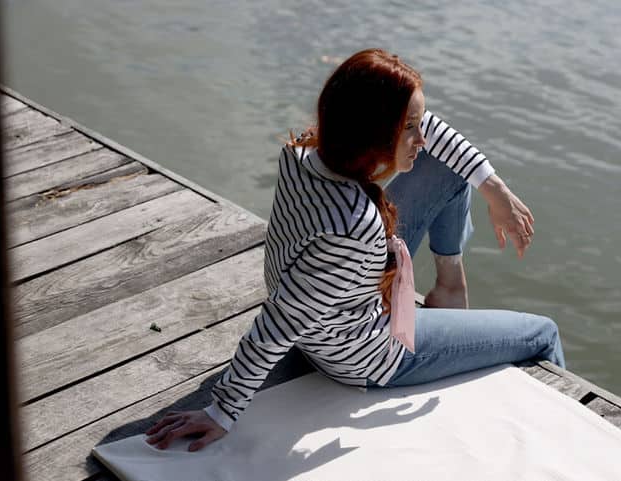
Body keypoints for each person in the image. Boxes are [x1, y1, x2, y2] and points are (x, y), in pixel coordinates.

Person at [146, 48, 565, 452]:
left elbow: (430, 133)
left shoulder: (304, 149)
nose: (422, 137)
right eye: (410, 127)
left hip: (336, 308)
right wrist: (223, 410)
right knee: (542, 333)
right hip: (367, 354)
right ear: (374, 130)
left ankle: (449, 287)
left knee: (448, 163)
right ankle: (564, 448)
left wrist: (496, 191)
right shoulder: (352, 227)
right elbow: (281, 318)